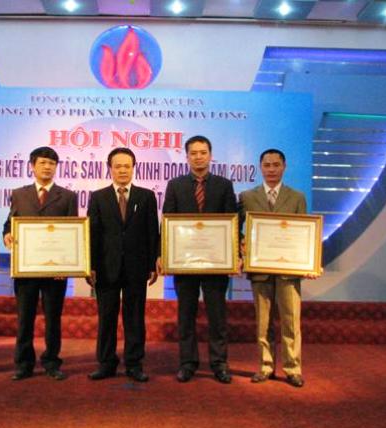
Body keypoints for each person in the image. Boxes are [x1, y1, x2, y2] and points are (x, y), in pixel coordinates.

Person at [161, 135, 238, 384]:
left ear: (210, 156)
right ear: (186, 157)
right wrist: (164, 254)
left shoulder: (224, 185)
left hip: (216, 263)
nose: (198, 157)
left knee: (217, 316)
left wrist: (234, 256)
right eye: (193, 153)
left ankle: (219, 363)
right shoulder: (175, 185)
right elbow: (167, 222)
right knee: (186, 315)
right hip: (185, 263)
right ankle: (187, 363)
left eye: (203, 152)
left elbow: (232, 223)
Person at [239, 148, 315, 388]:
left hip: (288, 272)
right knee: (263, 323)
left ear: (284, 167)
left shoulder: (297, 197)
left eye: (276, 165)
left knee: (291, 322)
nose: (271, 169)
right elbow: (236, 229)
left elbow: (304, 233)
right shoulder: (247, 197)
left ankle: (293, 368)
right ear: (260, 167)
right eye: (267, 165)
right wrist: (242, 248)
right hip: (260, 271)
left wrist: (309, 262)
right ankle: (265, 366)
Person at [3, 146, 78, 381]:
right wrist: (7, 234)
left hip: (55, 270)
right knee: (24, 318)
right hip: (26, 268)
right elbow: (10, 223)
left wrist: (66, 268)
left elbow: (72, 232)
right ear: (32, 166)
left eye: (52, 163)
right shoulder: (19, 194)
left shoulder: (68, 196)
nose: (47, 167)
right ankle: (23, 364)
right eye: (43, 163)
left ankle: (52, 362)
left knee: (53, 319)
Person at [86, 148, 159, 382]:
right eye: (118, 166)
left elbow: (152, 232)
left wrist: (153, 263)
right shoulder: (98, 197)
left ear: (134, 168)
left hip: (136, 268)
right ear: (110, 168)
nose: (123, 170)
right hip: (106, 268)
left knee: (135, 318)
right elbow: (92, 234)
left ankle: (134, 364)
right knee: (106, 318)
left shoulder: (146, 196)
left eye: (127, 166)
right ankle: (106, 363)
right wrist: (90, 266)